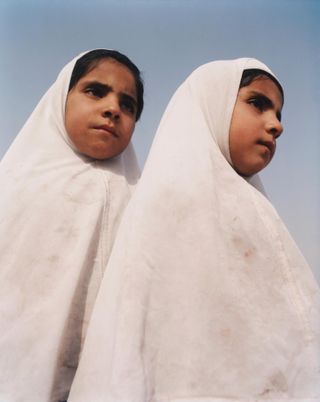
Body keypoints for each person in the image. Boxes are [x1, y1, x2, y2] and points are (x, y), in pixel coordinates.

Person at [69, 58, 320, 401]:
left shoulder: (260, 211)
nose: (276, 125)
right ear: (212, 103)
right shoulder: (168, 204)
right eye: (257, 103)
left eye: (278, 113)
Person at [0, 49, 143, 402]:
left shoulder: (142, 202)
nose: (113, 109)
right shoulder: (15, 187)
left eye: (128, 105)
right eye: (95, 91)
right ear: (60, 98)